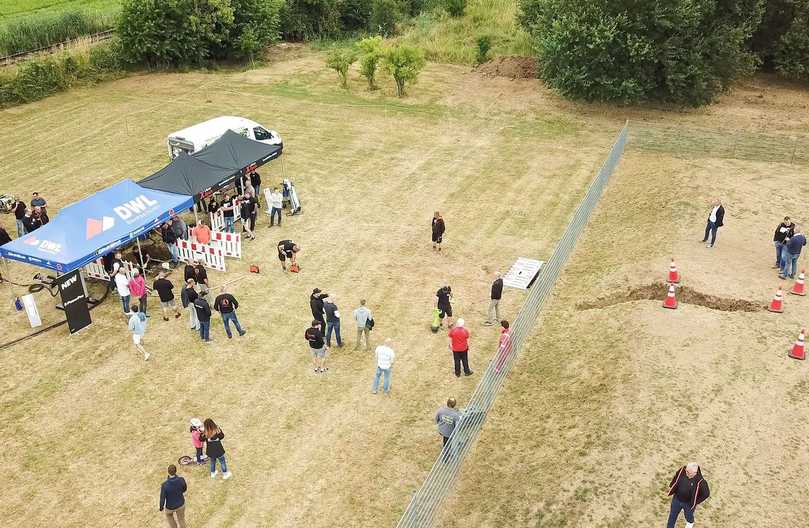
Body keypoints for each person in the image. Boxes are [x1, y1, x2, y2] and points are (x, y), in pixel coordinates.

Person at [667, 462, 710, 528]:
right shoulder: (682, 470)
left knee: (688, 515)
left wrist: (696, 502)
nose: (686, 473)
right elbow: (676, 477)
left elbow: (706, 494)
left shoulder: (701, 481)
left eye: (689, 473)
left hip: (688, 504)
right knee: (672, 515)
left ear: (695, 473)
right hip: (676, 499)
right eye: (686, 471)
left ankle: (690, 523)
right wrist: (671, 486)